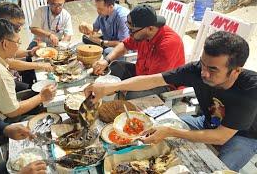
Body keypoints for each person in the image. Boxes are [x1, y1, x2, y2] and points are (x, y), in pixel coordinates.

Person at [85, 31, 257, 172]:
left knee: (217, 170)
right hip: (206, 121)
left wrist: (170, 131)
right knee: (152, 131)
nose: (204, 73)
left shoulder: (250, 89)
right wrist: (109, 89)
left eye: (213, 69)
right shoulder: (197, 69)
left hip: (243, 136)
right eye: (203, 64)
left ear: (235, 71)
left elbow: (220, 137)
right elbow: (153, 80)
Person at [0, 19, 57, 122]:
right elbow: (12, 112)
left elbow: (10, 63)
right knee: (52, 117)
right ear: (5, 44)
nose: (18, 46)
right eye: (18, 42)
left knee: (33, 94)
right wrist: (42, 97)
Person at [93, 4, 185, 99]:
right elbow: (124, 44)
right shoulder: (142, 32)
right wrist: (106, 60)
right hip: (143, 74)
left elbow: (152, 81)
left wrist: (118, 86)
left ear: (150, 28)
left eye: (132, 30)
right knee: (115, 67)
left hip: (164, 86)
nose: (129, 34)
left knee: (132, 95)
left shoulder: (167, 45)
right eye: (129, 29)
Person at [0, 3, 54, 90]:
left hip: (12, 73)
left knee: (31, 65)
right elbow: (10, 63)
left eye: (21, 25)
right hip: (4, 81)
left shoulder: (3, 32)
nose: (19, 29)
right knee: (35, 90)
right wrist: (39, 65)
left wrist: (29, 53)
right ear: (4, 21)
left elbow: (13, 52)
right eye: (17, 26)